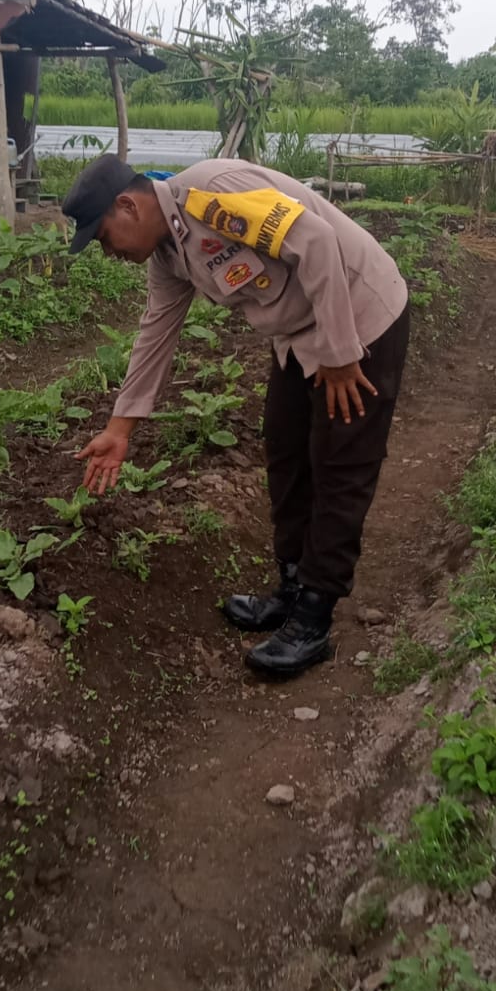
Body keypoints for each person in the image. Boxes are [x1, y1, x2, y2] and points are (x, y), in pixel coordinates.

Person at [65, 154, 410, 679]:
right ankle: (292, 587)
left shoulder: (212, 196)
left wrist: (342, 354)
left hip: (357, 316)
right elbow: (155, 332)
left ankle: (314, 617)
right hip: (299, 334)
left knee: (341, 462)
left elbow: (316, 244)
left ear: (127, 205)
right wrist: (120, 429)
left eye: (104, 237)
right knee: (286, 448)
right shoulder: (169, 256)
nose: (108, 252)